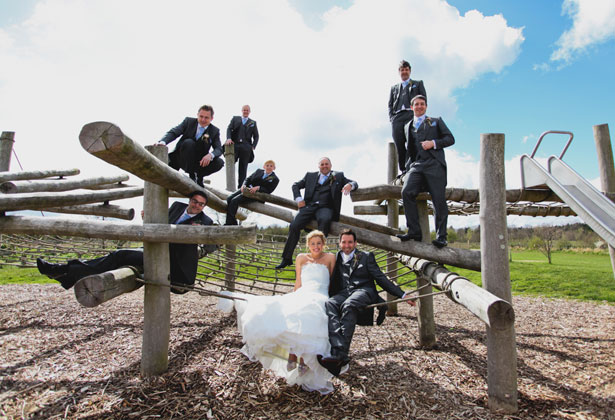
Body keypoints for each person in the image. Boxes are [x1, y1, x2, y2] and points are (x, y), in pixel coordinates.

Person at [218, 230, 336, 394]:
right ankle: (294, 354)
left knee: (313, 312)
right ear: (308, 245)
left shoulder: (330, 257)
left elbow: (332, 280)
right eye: (312, 243)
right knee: (294, 309)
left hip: (321, 294)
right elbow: (298, 282)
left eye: (319, 243)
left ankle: (301, 358)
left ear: (323, 244)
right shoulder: (301, 258)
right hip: (304, 292)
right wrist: (294, 296)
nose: (316, 246)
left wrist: (329, 298)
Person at [36, 191, 213, 294]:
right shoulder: (176, 207)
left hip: (173, 265)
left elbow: (210, 241)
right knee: (118, 256)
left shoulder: (205, 221)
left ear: (204, 207)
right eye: (195, 201)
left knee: (121, 255)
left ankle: (65, 272)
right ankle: (67, 271)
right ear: (190, 200)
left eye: (201, 204)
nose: (197, 206)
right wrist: (149, 219)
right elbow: (159, 226)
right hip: (155, 251)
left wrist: (201, 248)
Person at [318, 229, 415, 376]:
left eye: (350, 242)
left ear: (355, 243)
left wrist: (401, 294)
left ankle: (339, 355)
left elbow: (380, 277)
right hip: (344, 293)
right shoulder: (336, 256)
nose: (347, 245)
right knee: (330, 304)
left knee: (349, 305)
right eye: (344, 242)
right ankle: (338, 355)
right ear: (339, 243)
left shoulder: (366, 256)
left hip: (364, 291)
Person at [275, 157, 357, 269]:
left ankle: (318, 259)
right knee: (294, 225)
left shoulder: (339, 176)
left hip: (326, 207)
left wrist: (350, 185)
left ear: (331, 165)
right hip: (309, 207)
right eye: (322, 164)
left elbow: (354, 182)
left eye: (326, 164)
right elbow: (295, 185)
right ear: (318, 166)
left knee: (324, 221)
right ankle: (286, 258)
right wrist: (299, 199)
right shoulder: (310, 176)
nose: (324, 166)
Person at [395, 95, 454, 248]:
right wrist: (407, 169)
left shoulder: (436, 121)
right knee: (406, 192)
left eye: (422, 104)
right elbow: (409, 149)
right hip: (417, 165)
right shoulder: (407, 125)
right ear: (411, 107)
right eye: (416, 104)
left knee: (438, 200)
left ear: (426, 107)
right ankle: (414, 231)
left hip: (434, 164)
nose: (419, 106)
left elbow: (450, 139)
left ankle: (441, 236)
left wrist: (433, 143)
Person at [157, 105, 224, 186]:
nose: (203, 120)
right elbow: (174, 132)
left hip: (199, 162)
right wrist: (163, 142)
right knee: (189, 142)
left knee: (219, 162)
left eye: (206, 118)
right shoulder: (188, 121)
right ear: (197, 115)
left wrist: (210, 155)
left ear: (211, 118)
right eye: (201, 116)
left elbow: (219, 149)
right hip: (182, 158)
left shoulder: (214, 131)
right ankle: (192, 174)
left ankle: (199, 176)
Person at [388, 60, 427, 172]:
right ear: (399, 72)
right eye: (402, 70)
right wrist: (392, 118)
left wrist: (420, 116)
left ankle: (412, 168)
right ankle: (403, 170)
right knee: (399, 143)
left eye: (406, 70)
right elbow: (390, 104)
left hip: (411, 115)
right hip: (397, 117)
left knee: (411, 142)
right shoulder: (394, 88)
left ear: (410, 71)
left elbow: (423, 100)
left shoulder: (418, 83)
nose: (404, 72)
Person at [225, 160, 279, 226]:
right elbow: (248, 179)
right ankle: (232, 222)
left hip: (257, 195)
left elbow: (269, 190)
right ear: (264, 166)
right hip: (247, 189)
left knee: (234, 201)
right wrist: (243, 185)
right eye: (267, 165)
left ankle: (229, 223)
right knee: (229, 198)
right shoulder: (259, 171)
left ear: (274, 168)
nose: (269, 167)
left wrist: (258, 188)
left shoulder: (274, 178)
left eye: (271, 166)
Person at [225, 105, 260, 188]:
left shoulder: (253, 122)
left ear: (249, 112)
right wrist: (229, 138)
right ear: (242, 110)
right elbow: (229, 129)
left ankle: (240, 187)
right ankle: (230, 186)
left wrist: (253, 146)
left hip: (246, 147)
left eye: (247, 110)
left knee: (243, 167)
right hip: (235, 144)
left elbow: (256, 136)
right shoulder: (235, 119)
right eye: (244, 110)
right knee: (230, 163)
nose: (245, 112)